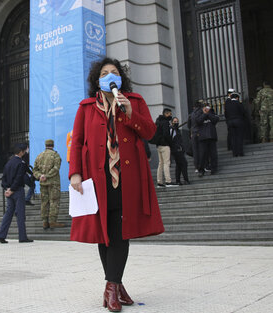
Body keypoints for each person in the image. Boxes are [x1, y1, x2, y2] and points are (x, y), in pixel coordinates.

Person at [69, 57, 165, 312]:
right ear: (96, 79)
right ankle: (116, 285)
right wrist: (75, 173)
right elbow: (77, 142)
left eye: (114, 72)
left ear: (121, 77)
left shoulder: (134, 101)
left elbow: (150, 133)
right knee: (105, 232)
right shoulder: (87, 106)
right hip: (97, 179)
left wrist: (130, 114)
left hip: (127, 177)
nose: (110, 76)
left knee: (120, 230)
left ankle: (111, 287)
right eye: (104, 73)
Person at [0, 143, 33, 243]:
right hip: (17, 190)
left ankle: (1, 235)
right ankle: (22, 237)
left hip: (9, 191)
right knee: (20, 214)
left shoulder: (9, 162)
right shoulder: (20, 163)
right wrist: (12, 189)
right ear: (21, 151)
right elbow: (18, 178)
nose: (26, 152)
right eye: (25, 150)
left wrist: (7, 189)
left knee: (8, 213)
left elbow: (3, 178)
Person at [34, 139, 64, 229]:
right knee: (54, 201)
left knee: (44, 202)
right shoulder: (56, 155)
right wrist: (47, 176)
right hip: (53, 183)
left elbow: (34, 170)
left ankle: (45, 222)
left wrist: (40, 176)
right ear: (53, 145)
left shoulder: (39, 156)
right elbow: (56, 168)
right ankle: (52, 222)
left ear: (45, 145)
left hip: (43, 183)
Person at [154, 108, 177, 187]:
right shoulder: (165, 122)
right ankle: (168, 181)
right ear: (166, 114)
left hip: (158, 145)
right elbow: (166, 134)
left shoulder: (158, 121)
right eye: (170, 114)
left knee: (160, 163)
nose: (171, 116)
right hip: (165, 145)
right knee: (166, 163)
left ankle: (159, 181)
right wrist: (170, 143)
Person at [195, 103, 219, 177]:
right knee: (202, 154)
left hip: (211, 136)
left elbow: (215, 120)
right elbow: (198, 121)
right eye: (205, 107)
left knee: (213, 154)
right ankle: (201, 169)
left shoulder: (212, 113)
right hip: (203, 137)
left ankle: (213, 169)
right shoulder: (199, 114)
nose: (207, 108)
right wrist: (205, 114)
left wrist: (208, 113)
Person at [225, 93, 246, 157]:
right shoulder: (238, 103)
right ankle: (240, 152)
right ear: (237, 98)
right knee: (239, 137)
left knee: (233, 137)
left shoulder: (228, 105)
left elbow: (226, 114)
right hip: (238, 121)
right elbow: (243, 112)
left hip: (230, 122)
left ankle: (235, 153)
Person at [170, 117, 190, 185]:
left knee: (178, 165)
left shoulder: (177, 130)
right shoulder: (172, 130)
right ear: (172, 122)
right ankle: (186, 179)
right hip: (176, 150)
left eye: (177, 121)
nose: (176, 123)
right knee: (184, 163)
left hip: (180, 150)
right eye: (175, 121)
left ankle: (178, 180)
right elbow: (171, 140)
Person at [188, 100, 203, 173]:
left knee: (195, 151)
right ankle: (201, 166)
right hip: (200, 132)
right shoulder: (201, 112)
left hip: (193, 133)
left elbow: (188, 125)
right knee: (201, 150)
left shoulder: (191, 114)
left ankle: (196, 166)